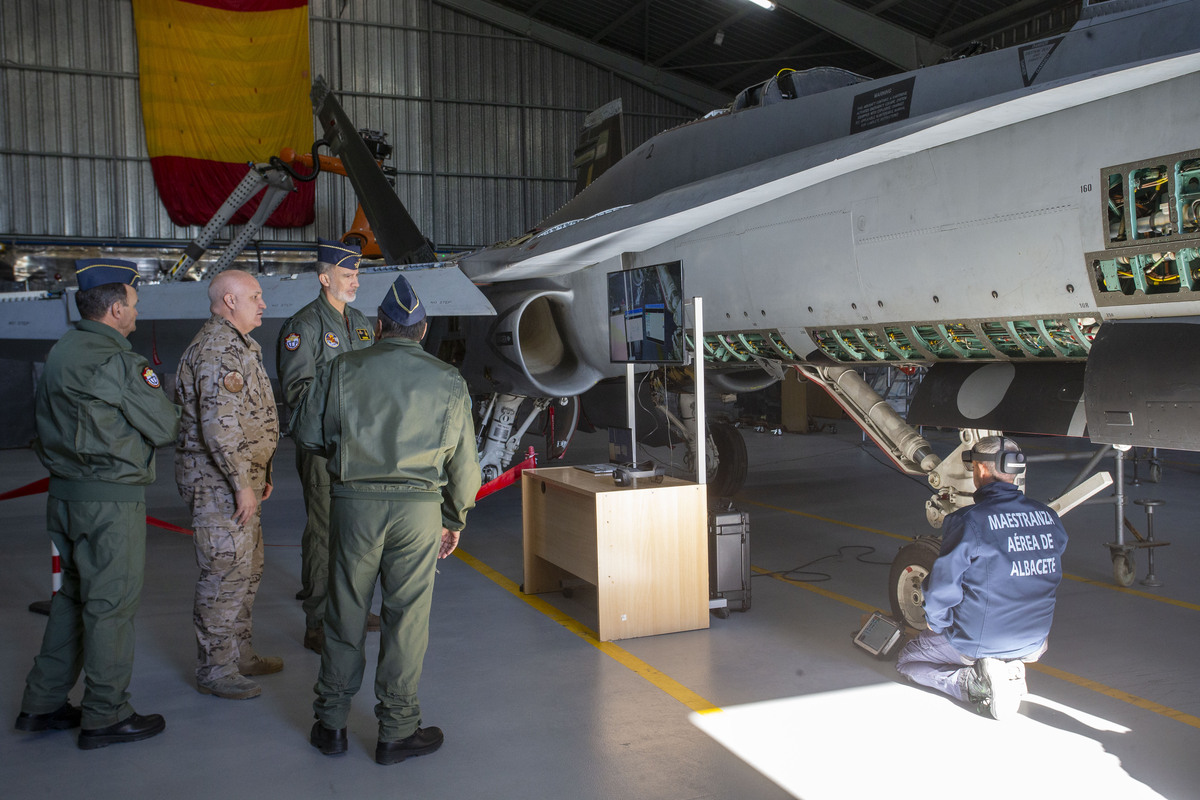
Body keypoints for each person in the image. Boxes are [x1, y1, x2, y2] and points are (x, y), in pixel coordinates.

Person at [299, 274, 481, 765]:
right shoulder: (448, 380)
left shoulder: (341, 369)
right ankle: (397, 730)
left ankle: (331, 724)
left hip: (354, 506)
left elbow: (309, 436)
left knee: (345, 612)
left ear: (380, 326)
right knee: (406, 621)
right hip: (419, 513)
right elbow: (467, 468)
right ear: (423, 331)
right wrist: (454, 518)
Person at [15, 259, 180, 749]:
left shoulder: (63, 350)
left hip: (63, 495)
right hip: (109, 501)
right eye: (132, 305)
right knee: (110, 606)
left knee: (72, 599)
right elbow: (166, 427)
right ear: (114, 309)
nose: (135, 313)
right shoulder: (120, 363)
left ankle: (41, 705)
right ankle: (106, 714)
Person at [896, 436, 1068, 720]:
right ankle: (1008, 666)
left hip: (978, 640)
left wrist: (936, 623)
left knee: (908, 661)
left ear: (981, 470)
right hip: (1035, 640)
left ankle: (973, 684)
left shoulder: (967, 521)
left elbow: (941, 589)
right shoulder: (1049, 517)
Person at [175, 269, 281, 700]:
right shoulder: (218, 349)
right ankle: (215, 669)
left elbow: (248, 420)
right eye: (255, 296)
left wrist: (261, 476)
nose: (263, 303)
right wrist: (241, 483)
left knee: (248, 569)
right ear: (230, 301)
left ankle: (239, 654)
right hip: (218, 482)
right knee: (224, 574)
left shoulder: (238, 346)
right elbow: (219, 427)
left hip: (239, 479)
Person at [276, 238, 376, 654]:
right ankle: (317, 621)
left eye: (356, 275)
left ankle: (349, 609)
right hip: (323, 446)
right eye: (347, 275)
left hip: (361, 447)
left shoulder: (360, 322)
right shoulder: (305, 326)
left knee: (357, 532)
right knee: (324, 531)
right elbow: (298, 393)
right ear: (324, 278)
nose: (355, 282)